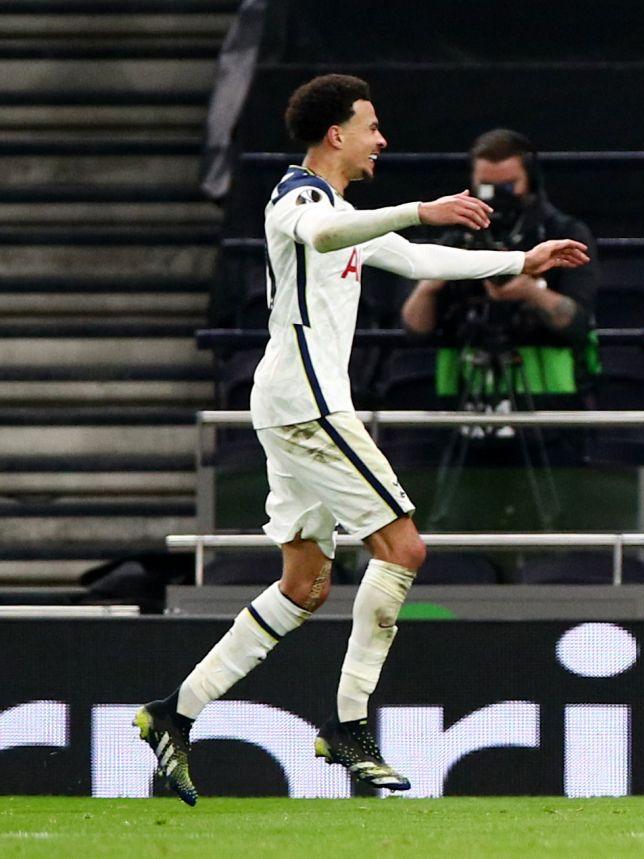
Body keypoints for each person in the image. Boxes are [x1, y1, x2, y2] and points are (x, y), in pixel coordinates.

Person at [133, 74, 588, 806]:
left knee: (305, 584)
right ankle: (348, 723)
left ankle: (174, 713)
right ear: (336, 134)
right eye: (371, 126)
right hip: (308, 404)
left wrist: (518, 261)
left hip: (288, 404)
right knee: (404, 548)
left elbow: (414, 260)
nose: (382, 139)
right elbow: (324, 233)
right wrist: (420, 207)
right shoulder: (301, 199)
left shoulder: (338, 207)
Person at [400, 128, 599, 405]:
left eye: (506, 187)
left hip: (546, 399)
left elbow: (580, 324)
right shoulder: (455, 238)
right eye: (486, 187)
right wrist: (430, 286)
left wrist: (532, 292)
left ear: (530, 180)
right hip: (464, 397)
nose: (495, 197)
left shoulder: (561, 234)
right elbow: (414, 331)